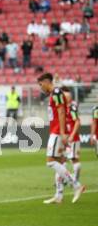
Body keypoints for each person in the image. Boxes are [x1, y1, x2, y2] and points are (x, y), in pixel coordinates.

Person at [37, 73, 85, 204]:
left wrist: (63, 132)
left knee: (50, 162)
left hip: (58, 131)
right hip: (57, 130)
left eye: (41, 84)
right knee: (60, 162)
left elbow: (62, 112)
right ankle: (59, 195)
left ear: (47, 82)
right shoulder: (55, 94)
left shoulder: (57, 93)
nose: (41, 88)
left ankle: (76, 185)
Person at [61, 87, 82, 184]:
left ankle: (75, 181)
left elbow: (77, 122)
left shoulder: (72, 108)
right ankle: (64, 178)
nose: (66, 98)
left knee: (74, 160)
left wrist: (72, 135)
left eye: (67, 96)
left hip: (72, 138)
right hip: (65, 138)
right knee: (62, 159)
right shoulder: (63, 108)